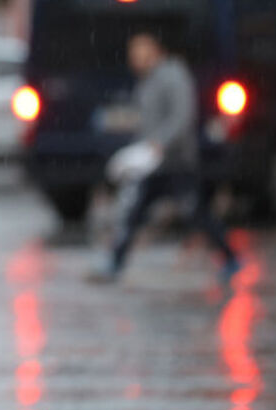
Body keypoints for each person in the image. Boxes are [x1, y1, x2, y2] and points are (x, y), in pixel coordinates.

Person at [89, 31, 241, 284]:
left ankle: (230, 258)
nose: (135, 59)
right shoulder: (148, 80)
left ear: (155, 50)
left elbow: (182, 116)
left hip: (176, 162)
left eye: (140, 52)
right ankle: (115, 263)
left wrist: (161, 143)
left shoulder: (174, 75)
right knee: (133, 213)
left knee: (196, 213)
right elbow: (147, 120)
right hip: (153, 165)